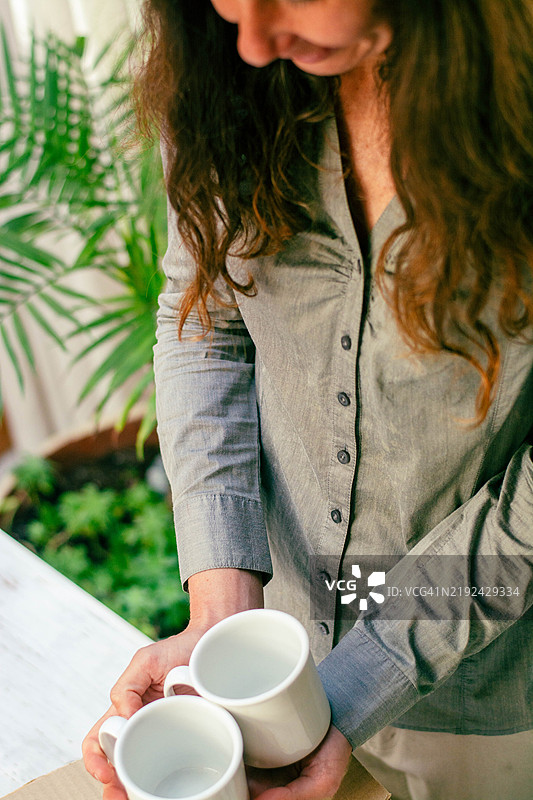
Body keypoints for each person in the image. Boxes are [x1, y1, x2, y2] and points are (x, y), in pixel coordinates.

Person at [83, 2, 533, 798]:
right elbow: (204, 321)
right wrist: (221, 616)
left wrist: (362, 675)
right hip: (282, 635)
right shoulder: (228, 70)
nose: (252, 41)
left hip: (483, 695)